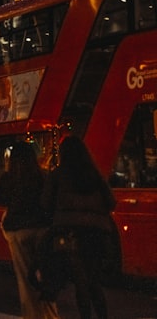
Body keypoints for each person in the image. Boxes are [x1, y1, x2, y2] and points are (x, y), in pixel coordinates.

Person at [40, 135, 118, 319]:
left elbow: (45, 203)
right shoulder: (95, 174)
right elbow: (111, 202)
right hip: (97, 232)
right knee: (93, 281)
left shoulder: (58, 175)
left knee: (80, 281)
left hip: (71, 233)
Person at [0, 141, 59, 319]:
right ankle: (51, 315)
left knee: (25, 281)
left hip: (18, 231)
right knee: (45, 277)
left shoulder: (9, 177)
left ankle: (32, 315)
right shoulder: (43, 176)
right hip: (42, 230)